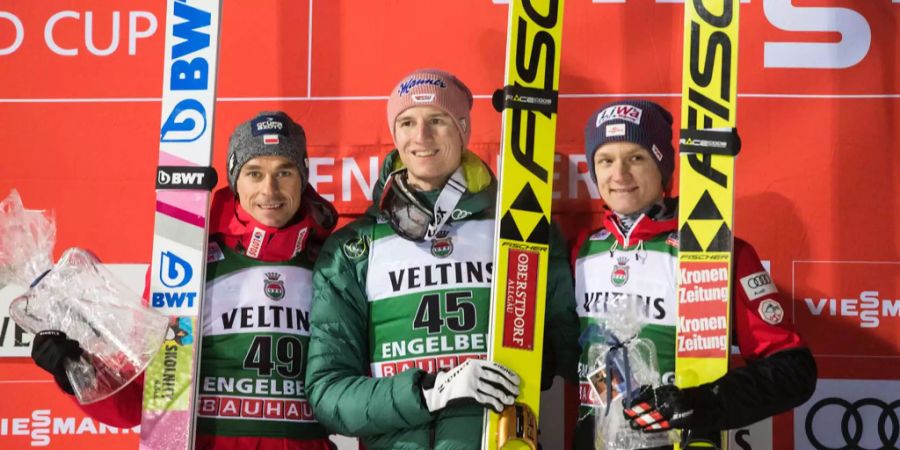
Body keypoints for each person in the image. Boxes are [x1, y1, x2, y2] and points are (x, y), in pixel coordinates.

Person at [305, 69, 581, 449]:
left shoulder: (520, 230)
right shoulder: (354, 248)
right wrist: (430, 391)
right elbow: (329, 395)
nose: (421, 136)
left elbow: (570, 355)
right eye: (407, 122)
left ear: (464, 129)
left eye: (437, 120)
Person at [30, 111, 339, 449]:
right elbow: (144, 397)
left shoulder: (335, 262)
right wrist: (75, 370)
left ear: (303, 177)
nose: (270, 189)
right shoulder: (186, 263)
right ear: (236, 180)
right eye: (254, 173)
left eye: (284, 171)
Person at [571, 100, 817, 449]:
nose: (619, 175)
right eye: (605, 160)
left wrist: (702, 403)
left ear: (664, 169)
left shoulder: (712, 252)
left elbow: (794, 371)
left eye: (636, 157)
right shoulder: (582, 251)